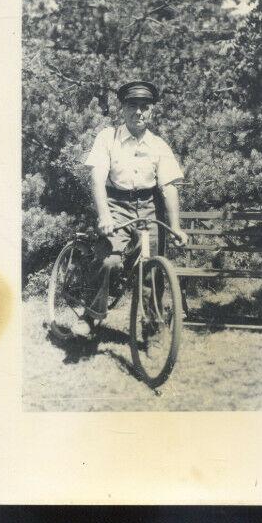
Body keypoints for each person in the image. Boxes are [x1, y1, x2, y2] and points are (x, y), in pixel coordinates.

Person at [73, 80, 188, 336]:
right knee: (110, 261)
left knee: (153, 267)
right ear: (122, 109)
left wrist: (176, 226)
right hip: (116, 203)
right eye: (133, 106)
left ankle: (151, 325)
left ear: (152, 111)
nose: (139, 112)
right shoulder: (107, 138)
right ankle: (91, 316)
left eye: (145, 107)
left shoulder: (159, 145)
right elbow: (97, 179)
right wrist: (104, 215)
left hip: (149, 206)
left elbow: (169, 187)